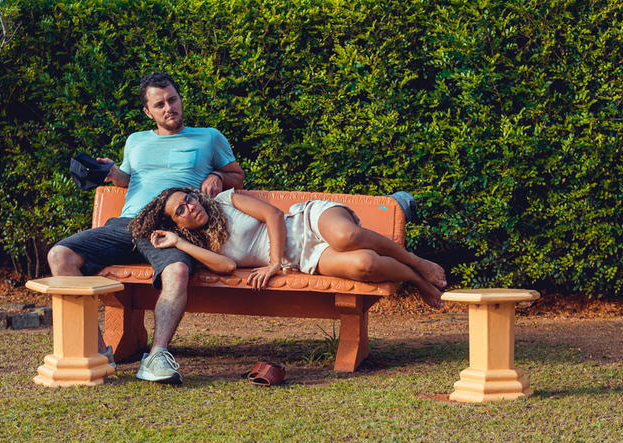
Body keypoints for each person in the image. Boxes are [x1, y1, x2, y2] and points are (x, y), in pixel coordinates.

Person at [47, 71, 244, 385]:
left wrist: (219, 177)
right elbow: (130, 179)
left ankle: (157, 356)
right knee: (60, 255)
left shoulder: (209, 137)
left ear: (180, 100)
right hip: (128, 224)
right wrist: (112, 173)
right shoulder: (135, 141)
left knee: (177, 272)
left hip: (173, 228)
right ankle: (98, 352)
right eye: (160, 104)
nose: (169, 108)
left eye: (173, 100)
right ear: (148, 111)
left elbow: (237, 177)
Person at [126, 188, 448, 312]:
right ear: (177, 225)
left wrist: (273, 263)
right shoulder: (199, 245)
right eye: (180, 211)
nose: (190, 207)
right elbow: (225, 267)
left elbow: (274, 215)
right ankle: (417, 281)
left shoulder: (226, 199)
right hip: (303, 259)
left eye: (188, 199)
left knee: (346, 236)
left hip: (306, 223)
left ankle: (415, 260)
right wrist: (179, 244)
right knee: (365, 265)